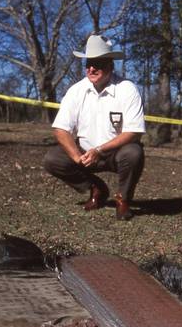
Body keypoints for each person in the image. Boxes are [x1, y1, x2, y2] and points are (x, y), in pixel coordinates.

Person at [43, 34, 146, 221]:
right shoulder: (76, 90)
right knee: (52, 159)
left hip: (115, 151)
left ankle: (123, 200)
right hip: (84, 152)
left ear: (110, 65)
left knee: (133, 152)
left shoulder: (127, 88)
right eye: (88, 63)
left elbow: (134, 132)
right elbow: (60, 129)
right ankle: (95, 189)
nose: (91, 68)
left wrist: (100, 150)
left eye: (97, 63)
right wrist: (76, 156)